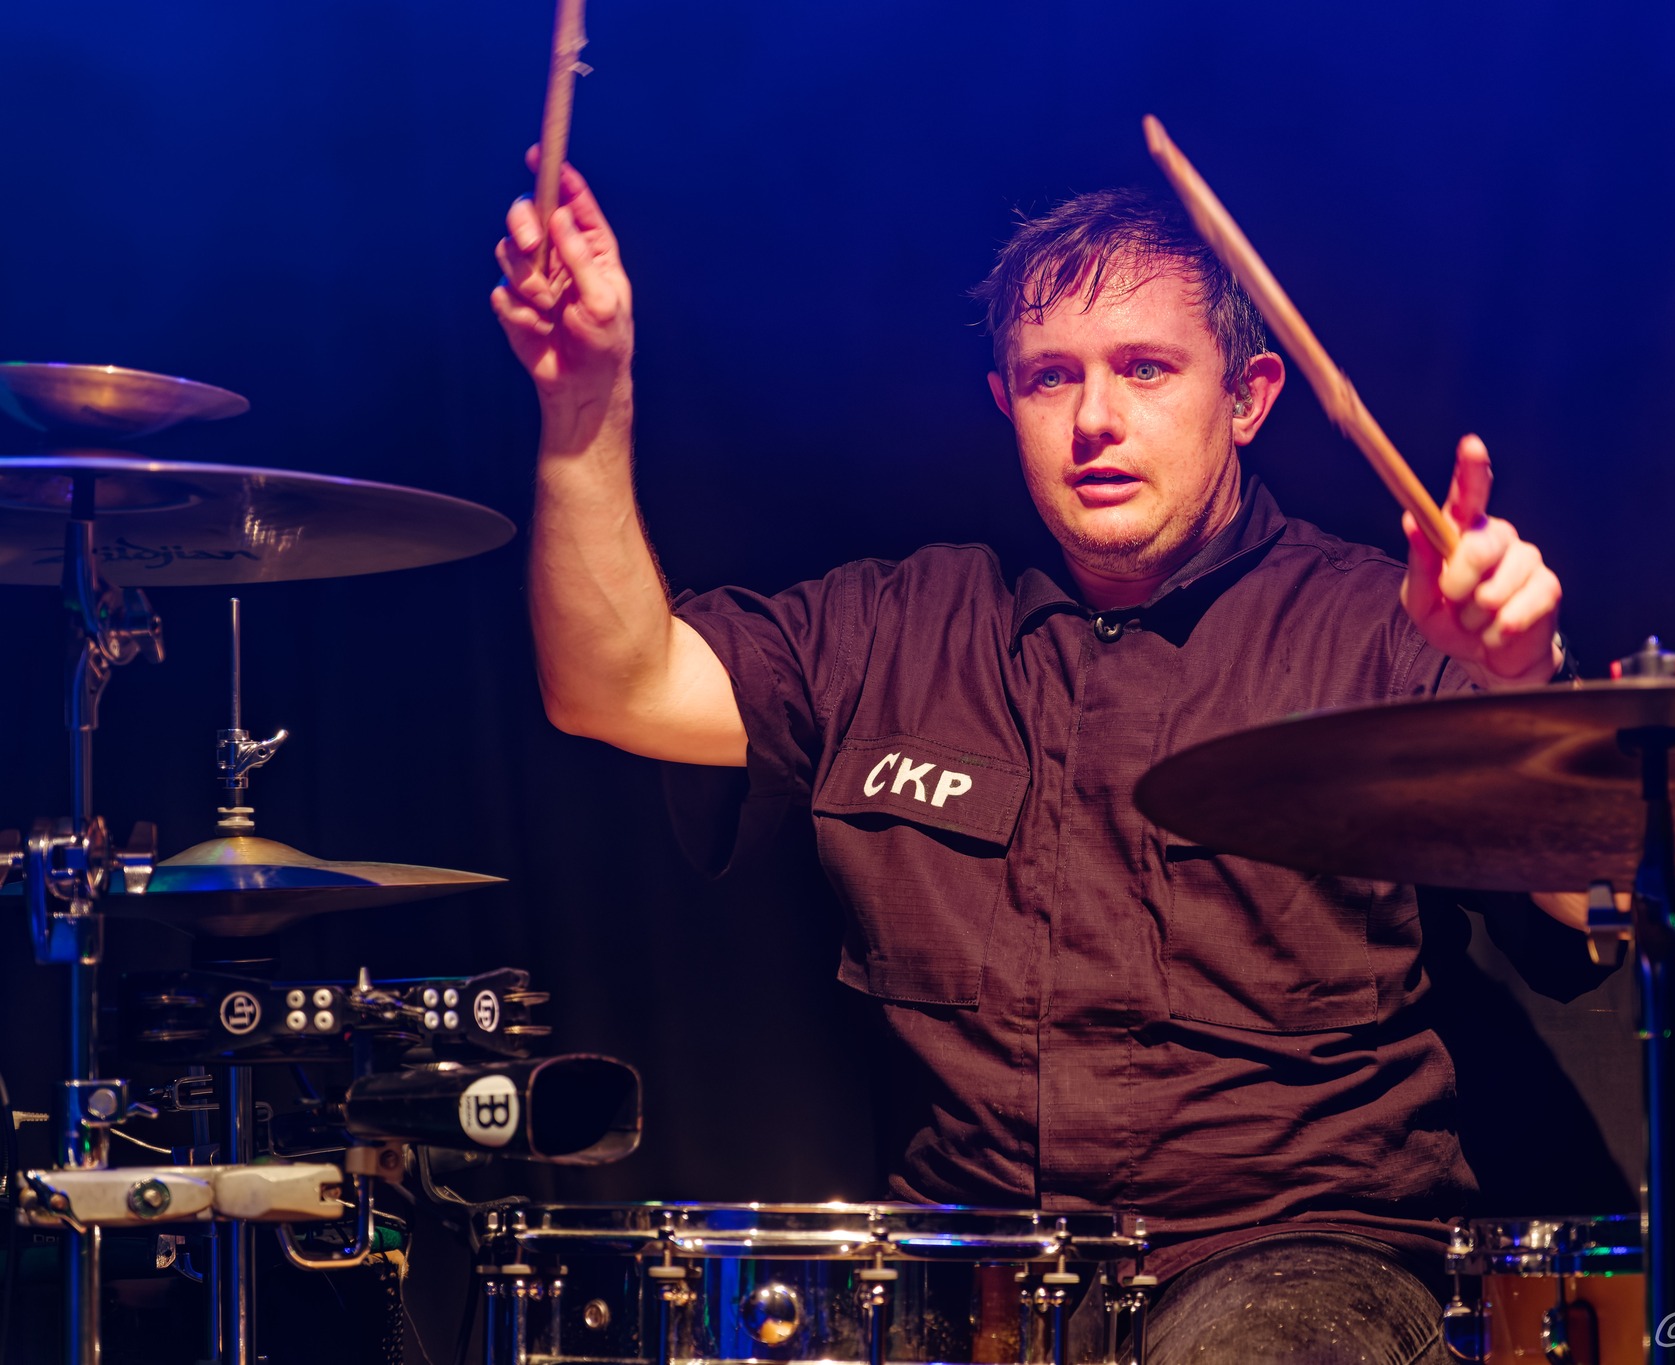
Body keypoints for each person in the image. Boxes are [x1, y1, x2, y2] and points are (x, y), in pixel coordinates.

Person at [493, 151, 1615, 1363]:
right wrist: (583, 404)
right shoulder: (893, 627)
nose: (1093, 420)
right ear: (1004, 400)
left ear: (1247, 398)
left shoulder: (1378, 631)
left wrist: (1518, 685)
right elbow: (615, 685)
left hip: (1293, 1261)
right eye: (1049, 378)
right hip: (964, 1276)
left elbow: (1602, 897)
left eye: (1144, 369)